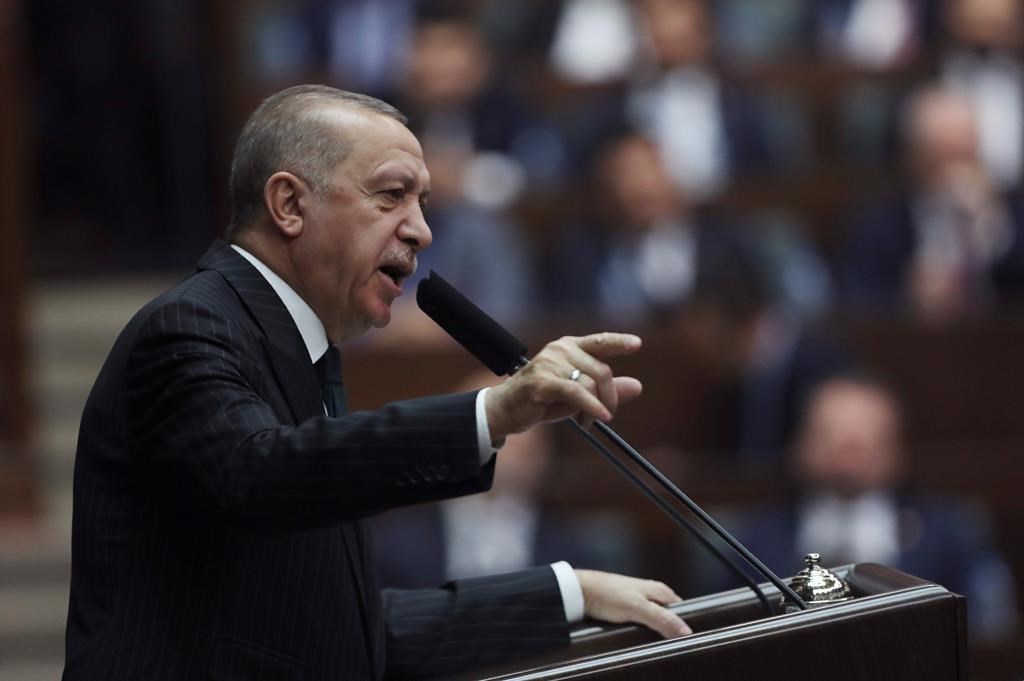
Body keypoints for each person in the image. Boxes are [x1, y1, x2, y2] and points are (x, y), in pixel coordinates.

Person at [61, 85, 690, 681]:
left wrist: (569, 591)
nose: (421, 230)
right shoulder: (190, 327)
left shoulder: (303, 357)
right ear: (288, 204)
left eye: (422, 201)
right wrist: (492, 413)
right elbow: (261, 473)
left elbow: (350, 634)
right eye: (391, 196)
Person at [693, 374, 1018, 639]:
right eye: (831, 437)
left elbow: (989, 630)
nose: (847, 454)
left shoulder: (948, 532)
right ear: (800, 446)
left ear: (895, 449)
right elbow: (718, 634)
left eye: (864, 441)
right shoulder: (753, 539)